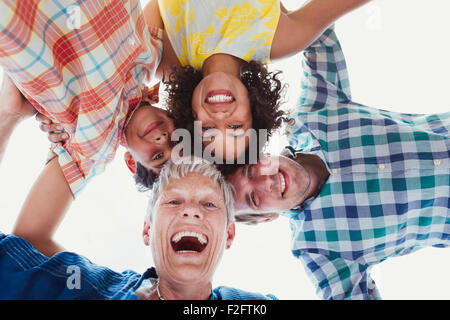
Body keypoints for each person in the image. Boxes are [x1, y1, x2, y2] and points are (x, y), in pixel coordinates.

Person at [226, 27, 450, 299]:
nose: (266, 181)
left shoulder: (313, 114)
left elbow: (315, 32)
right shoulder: (317, 249)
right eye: (254, 199)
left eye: (251, 171)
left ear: (260, 154)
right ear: (268, 218)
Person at [0, 102, 277, 300]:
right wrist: (7, 114)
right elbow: (16, 253)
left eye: (209, 204)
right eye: (173, 202)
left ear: (229, 233)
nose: (191, 211)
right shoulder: (87, 288)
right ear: (147, 229)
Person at [153, 0, 372, 163]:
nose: (220, 116)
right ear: (255, 113)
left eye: (208, 129)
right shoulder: (282, 39)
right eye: (235, 127)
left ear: (192, 118)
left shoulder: (164, 61)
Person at [0, 0, 174, 195]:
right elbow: (165, 7)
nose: (163, 138)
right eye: (177, 139)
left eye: (158, 156)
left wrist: (8, 116)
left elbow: (30, 227)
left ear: (131, 162)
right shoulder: (152, 60)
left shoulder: (93, 149)